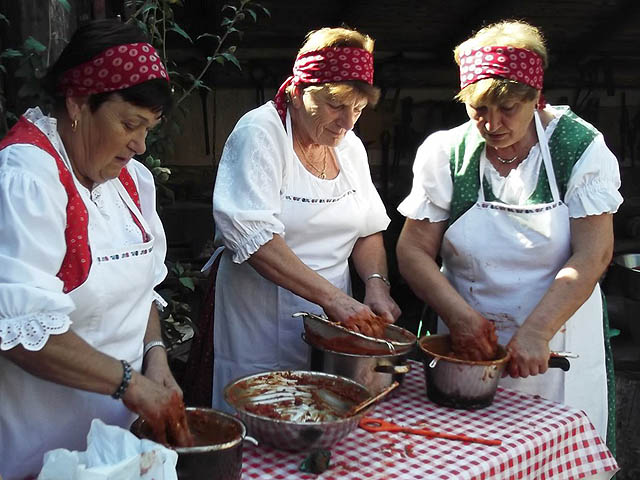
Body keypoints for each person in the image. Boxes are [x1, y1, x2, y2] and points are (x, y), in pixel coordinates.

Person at [396, 20, 622, 440]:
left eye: (507, 109)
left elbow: (593, 254)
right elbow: (412, 249)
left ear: (536, 98)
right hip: (464, 347)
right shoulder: (448, 153)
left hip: (555, 345)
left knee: (553, 455)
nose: (492, 123)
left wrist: (537, 331)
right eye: (478, 109)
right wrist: (459, 317)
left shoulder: (577, 149)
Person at [0, 19, 192, 480]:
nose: (139, 145)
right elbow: (23, 332)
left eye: (148, 128)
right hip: (38, 444)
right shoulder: (26, 178)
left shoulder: (131, 181)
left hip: (115, 443)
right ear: (79, 104)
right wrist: (130, 385)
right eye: (130, 124)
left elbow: (141, 287)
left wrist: (155, 356)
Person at [211, 27, 401, 411]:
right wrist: (333, 298)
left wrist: (376, 285)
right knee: (262, 419)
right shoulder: (259, 134)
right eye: (336, 105)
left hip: (333, 328)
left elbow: (368, 229)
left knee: (327, 416)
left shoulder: (349, 148)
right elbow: (254, 237)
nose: (347, 122)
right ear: (298, 92)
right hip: (260, 323)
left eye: (358, 109)